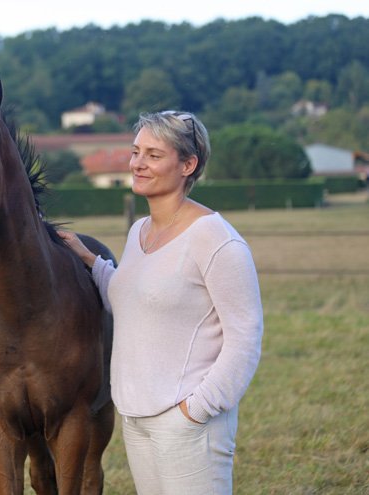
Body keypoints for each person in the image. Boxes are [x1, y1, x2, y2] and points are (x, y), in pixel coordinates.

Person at [59, 111, 263, 494]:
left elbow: (246, 338)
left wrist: (196, 410)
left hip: (187, 423)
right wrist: (89, 259)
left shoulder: (216, 239)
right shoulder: (140, 230)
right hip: (136, 418)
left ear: (188, 165)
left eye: (153, 155)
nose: (138, 163)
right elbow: (130, 299)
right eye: (136, 152)